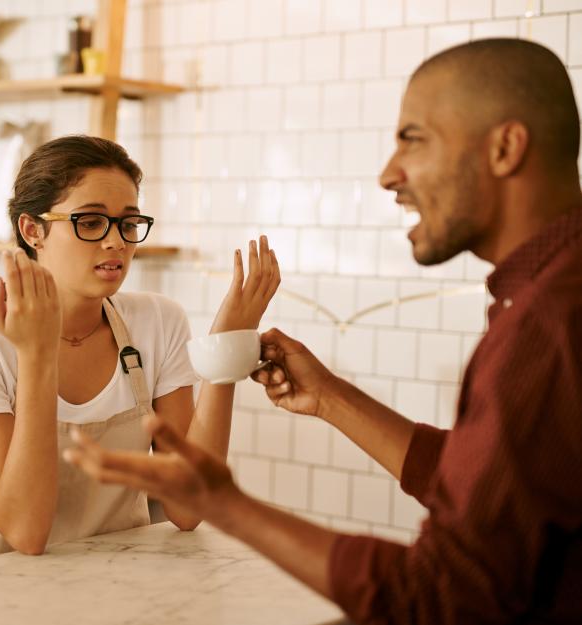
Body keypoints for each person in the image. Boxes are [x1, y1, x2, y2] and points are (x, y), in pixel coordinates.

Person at [64, 38, 582, 624]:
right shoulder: (547, 295)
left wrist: (227, 504)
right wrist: (331, 397)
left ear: (506, 147)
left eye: (413, 138)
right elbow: (485, 483)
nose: (389, 173)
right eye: (90, 223)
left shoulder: (548, 324)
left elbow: (444, 595)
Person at [0, 135, 280, 561]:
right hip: (3, 600)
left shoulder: (157, 322)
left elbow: (188, 509)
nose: (117, 242)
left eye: (128, 223)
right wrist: (37, 354)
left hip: (122, 584)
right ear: (33, 230)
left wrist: (226, 347)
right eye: (90, 221)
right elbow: (26, 533)